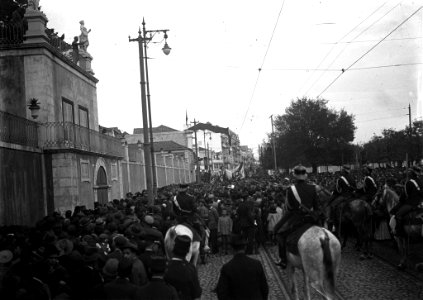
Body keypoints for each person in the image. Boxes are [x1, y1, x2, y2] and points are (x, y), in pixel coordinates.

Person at [274, 165, 319, 269]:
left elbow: (289, 207)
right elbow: (316, 206)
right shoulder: (313, 188)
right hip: (311, 218)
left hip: (296, 219)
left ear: (295, 176)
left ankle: (283, 260)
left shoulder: (291, 189)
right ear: (305, 175)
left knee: (280, 233)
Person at [215, 234, 268, 300]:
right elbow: (264, 288)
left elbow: (222, 292)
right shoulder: (257, 264)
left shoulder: (227, 268)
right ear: (245, 247)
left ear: (232, 249)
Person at [164, 235, 202, 300]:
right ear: (187, 251)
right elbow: (196, 292)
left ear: (174, 248)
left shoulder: (165, 267)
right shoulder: (190, 269)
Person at [391, 166, 423, 237]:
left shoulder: (409, 182)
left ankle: (400, 232)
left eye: (409, 172)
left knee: (398, 215)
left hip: (411, 203)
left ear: (412, 173)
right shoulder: (419, 181)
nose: (408, 173)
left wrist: (401, 200)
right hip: (420, 203)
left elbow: (405, 195)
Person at [173, 184, 205, 249]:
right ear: (186, 189)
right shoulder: (191, 198)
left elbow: (174, 210)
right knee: (202, 231)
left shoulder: (174, 198)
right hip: (190, 218)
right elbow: (194, 209)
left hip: (179, 219)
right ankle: (202, 248)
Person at [327, 165, 357, 230]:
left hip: (344, 196)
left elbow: (338, 189)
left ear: (343, 170)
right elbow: (355, 187)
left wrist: (334, 193)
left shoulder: (340, 178)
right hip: (352, 196)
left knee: (332, 205)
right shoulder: (352, 177)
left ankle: (331, 219)